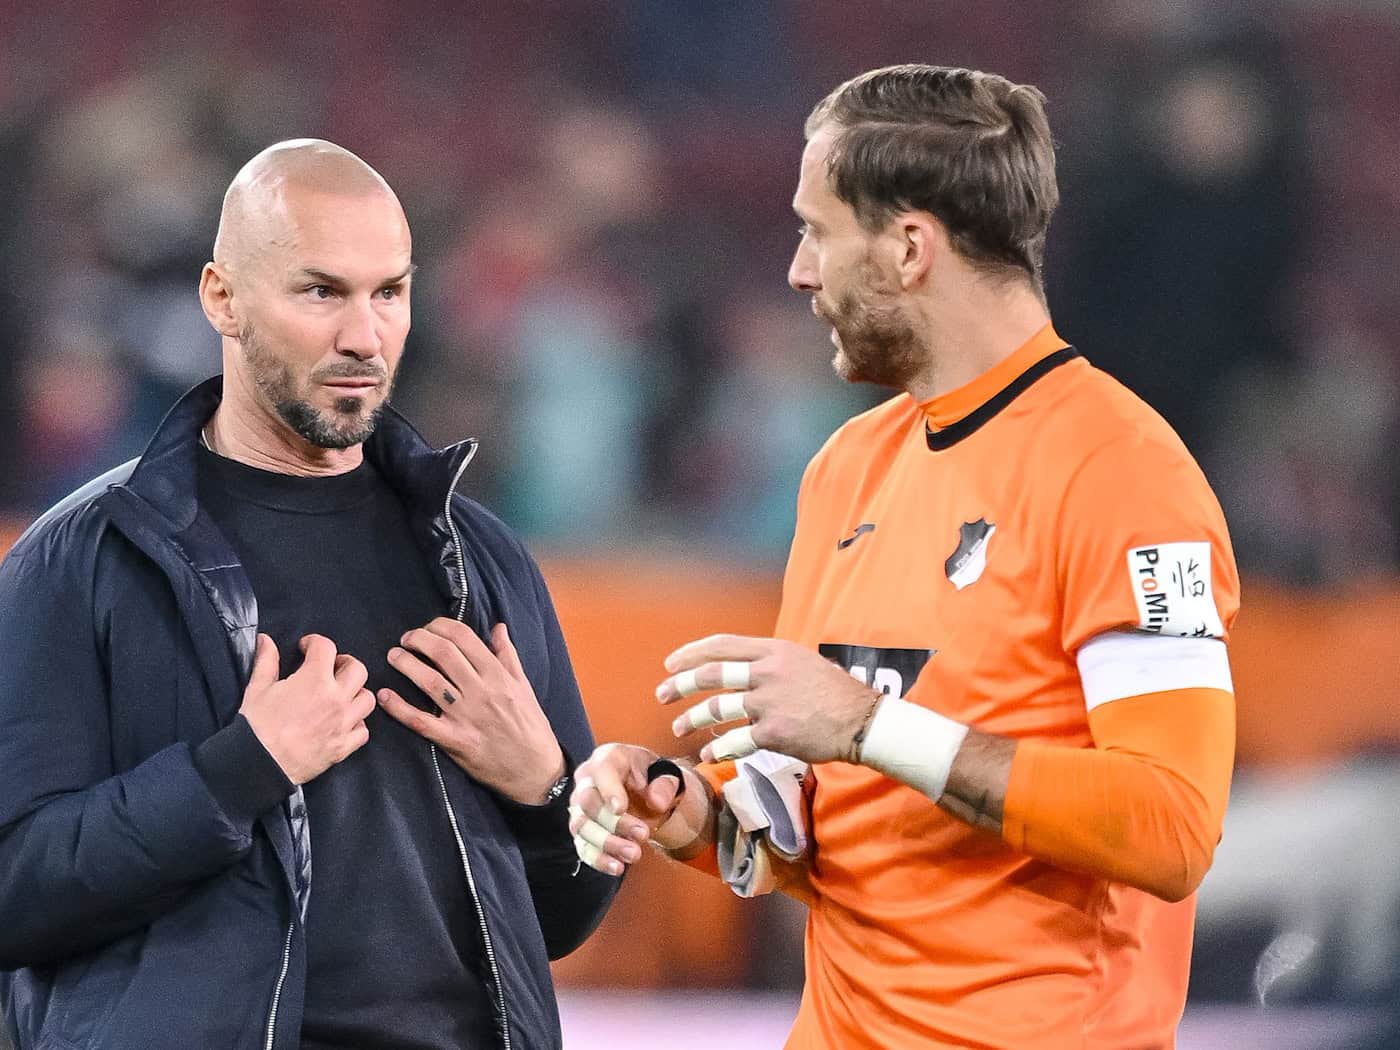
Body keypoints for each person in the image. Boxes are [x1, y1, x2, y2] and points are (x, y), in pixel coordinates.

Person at [569, 65, 1239, 1049]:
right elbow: (827, 823)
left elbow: (1171, 826)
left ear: (909, 248)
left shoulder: (1123, 476)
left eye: (815, 231)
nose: (799, 271)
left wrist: (869, 726)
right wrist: (687, 812)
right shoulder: (847, 465)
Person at [0, 140, 616, 1050]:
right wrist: (236, 771)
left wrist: (548, 792)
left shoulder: (480, 559)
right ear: (223, 297)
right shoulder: (84, 557)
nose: (364, 336)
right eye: (321, 292)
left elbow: (561, 920)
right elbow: (15, 892)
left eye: (389, 293)